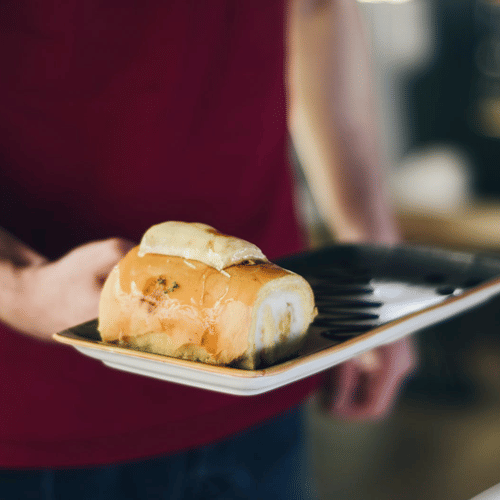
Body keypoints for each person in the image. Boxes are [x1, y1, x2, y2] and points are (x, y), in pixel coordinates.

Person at [0, 0, 415, 498]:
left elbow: (317, 9)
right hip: (38, 417)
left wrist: (370, 255)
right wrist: (21, 285)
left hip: (262, 377)